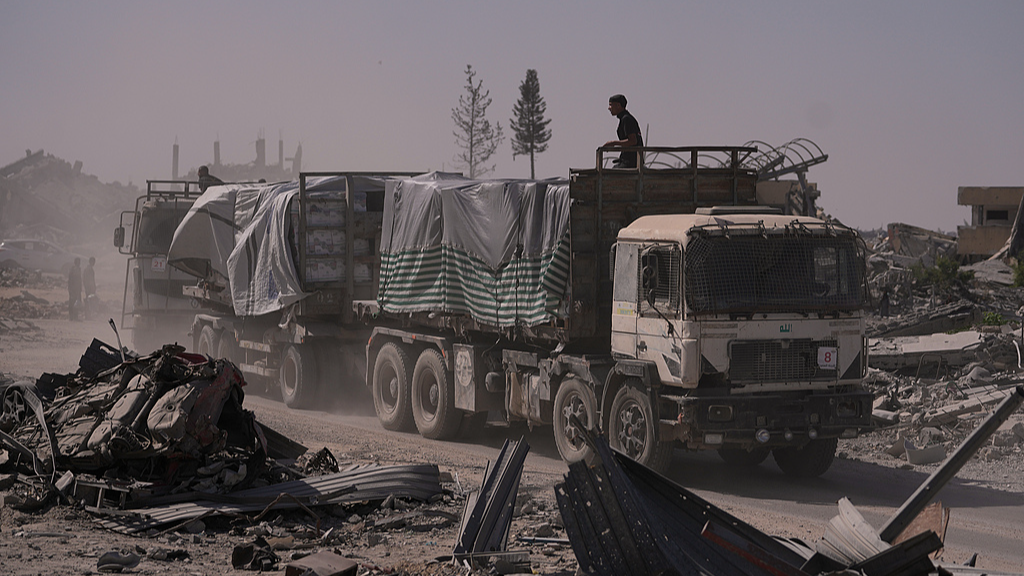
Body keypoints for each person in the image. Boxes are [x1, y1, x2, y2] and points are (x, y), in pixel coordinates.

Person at [604, 94, 644, 168]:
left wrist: (613, 143)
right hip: (628, 160)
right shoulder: (625, 118)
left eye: (611, 105)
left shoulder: (626, 119)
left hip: (631, 162)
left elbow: (633, 141)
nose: (609, 108)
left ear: (618, 105)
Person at [68, 257, 82, 322]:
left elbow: (79, 280)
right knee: (72, 302)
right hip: (73, 289)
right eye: (78, 262)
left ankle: (75, 316)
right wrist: (70, 289)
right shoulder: (73, 270)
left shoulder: (79, 269)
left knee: (76, 303)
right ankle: (71, 316)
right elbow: (70, 280)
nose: (79, 263)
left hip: (77, 289)